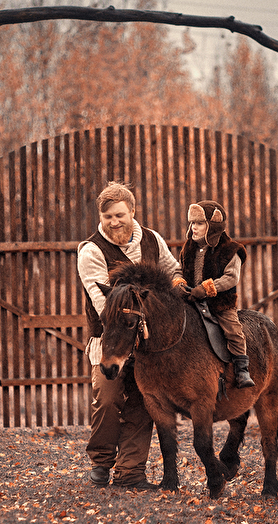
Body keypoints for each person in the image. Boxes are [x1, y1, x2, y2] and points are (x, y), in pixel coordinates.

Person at [77, 181, 182, 490]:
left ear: (133, 211)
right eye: (107, 216)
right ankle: (101, 461)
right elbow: (103, 304)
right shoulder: (91, 251)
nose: (114, 222)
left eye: (120, 215)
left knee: (142, 404)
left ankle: (130, 472)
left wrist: (179, 285)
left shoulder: (152, 240)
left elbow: (173, 270)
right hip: (110, 341)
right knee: (107, 399)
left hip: (148, 345)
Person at [179, 201, 255, 392]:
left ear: (213, 226)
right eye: (192, 223)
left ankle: (241, 369)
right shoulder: (188, 248)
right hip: (191, 301)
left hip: (220, 303)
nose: (194, 227)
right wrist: (179, 283)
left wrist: (206, 289)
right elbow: (179, 269)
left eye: (199, 223)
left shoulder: (230, 250)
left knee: (233, 331)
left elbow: (231, 278)